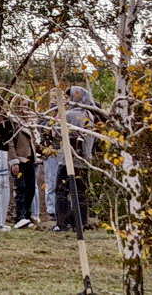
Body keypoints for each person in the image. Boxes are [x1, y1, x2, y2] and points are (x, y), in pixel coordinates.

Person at [53, 85, 96, 232]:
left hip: (68, 159)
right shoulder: (89, 115)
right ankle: (81, 221)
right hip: (84, 160)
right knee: (81, 192)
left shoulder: (69, 115)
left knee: (62, 191)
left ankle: (62, 222)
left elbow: (56, 132)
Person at [7, 100, 39, 229]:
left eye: (26, 105)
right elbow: (10, 142)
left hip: (30, 160)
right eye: (22, 105)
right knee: (20, 189)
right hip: (19, 160)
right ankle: (19, 217)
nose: (24, 108)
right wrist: (14, 161)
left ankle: (27, 215)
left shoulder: (30, 123)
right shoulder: (13, 121)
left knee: (31, 189)